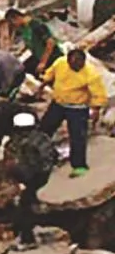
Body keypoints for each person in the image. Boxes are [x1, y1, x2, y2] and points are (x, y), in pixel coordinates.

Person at [40, 49, 107, 177]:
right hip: (58, 104)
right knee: (45, 129)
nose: (76, 66)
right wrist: (42, 85)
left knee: (78, 136)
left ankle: (79, 166)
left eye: (79, 64)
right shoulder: (60, 63)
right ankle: (40, 157)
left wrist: (96, 110)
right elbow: (49, 74)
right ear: (68, 61)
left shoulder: (91, 74)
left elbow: (98, 94)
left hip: (78, 108)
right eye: (73, 64)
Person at [4, 113, 60, 246]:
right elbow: (54, 156)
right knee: (29, 205)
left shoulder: (15, 142)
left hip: (30, 178)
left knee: (25, 208)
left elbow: (12, 164)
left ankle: (27, 239)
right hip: (46, 176)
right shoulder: (43, 138)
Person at [8, 8, 62, 78]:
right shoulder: (23, 28)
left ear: (16, 18)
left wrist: (43, 62)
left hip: (53, 58)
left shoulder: (36, 25)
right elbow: (30, 42)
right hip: (41, 57)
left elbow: (50, 43)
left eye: (12, 23)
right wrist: (20, 52)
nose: (13, 26)